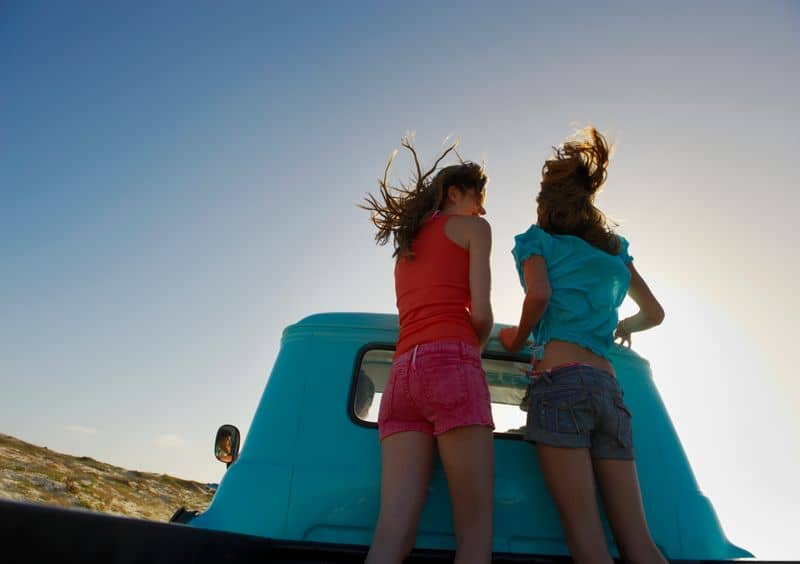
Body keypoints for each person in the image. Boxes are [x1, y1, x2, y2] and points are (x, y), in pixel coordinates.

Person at [499, 127, 666, 564]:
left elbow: (538, 296)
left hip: (560, 384)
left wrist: (515, 339)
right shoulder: (615, 252)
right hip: (608, 391)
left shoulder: (536, 241)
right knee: (639, 544)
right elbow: (655, 313)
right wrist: (620, 326)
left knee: (587, 541)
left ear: (546, 201)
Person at [361, 137, 495, 564]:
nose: (483, 210)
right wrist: (477, 348)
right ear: (455, 192)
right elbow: (482, 314)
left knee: (391, 532)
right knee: (474, 533)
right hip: (450, 360)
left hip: (401, 375)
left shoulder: (408, 247)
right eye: (479, 198)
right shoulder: (475, 230)